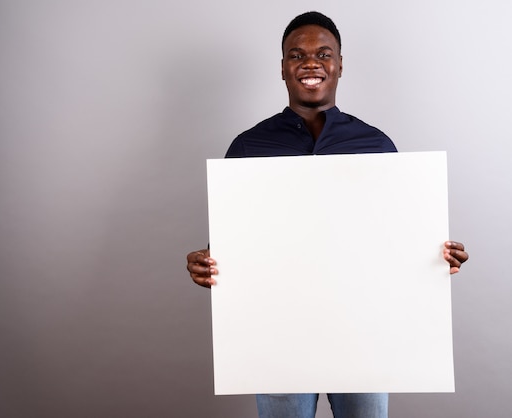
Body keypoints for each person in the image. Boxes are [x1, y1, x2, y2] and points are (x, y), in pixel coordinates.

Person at [185, 11, 469, 418]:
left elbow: (397, 238)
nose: (311, 62)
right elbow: (233, 245)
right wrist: (206, 263)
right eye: (297, 55)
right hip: (278, 334)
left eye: (324, 53)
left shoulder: (375, 145)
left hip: (362, 332)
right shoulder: (249, 147)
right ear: (283, 68)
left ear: (339, 66)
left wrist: (437, 259)